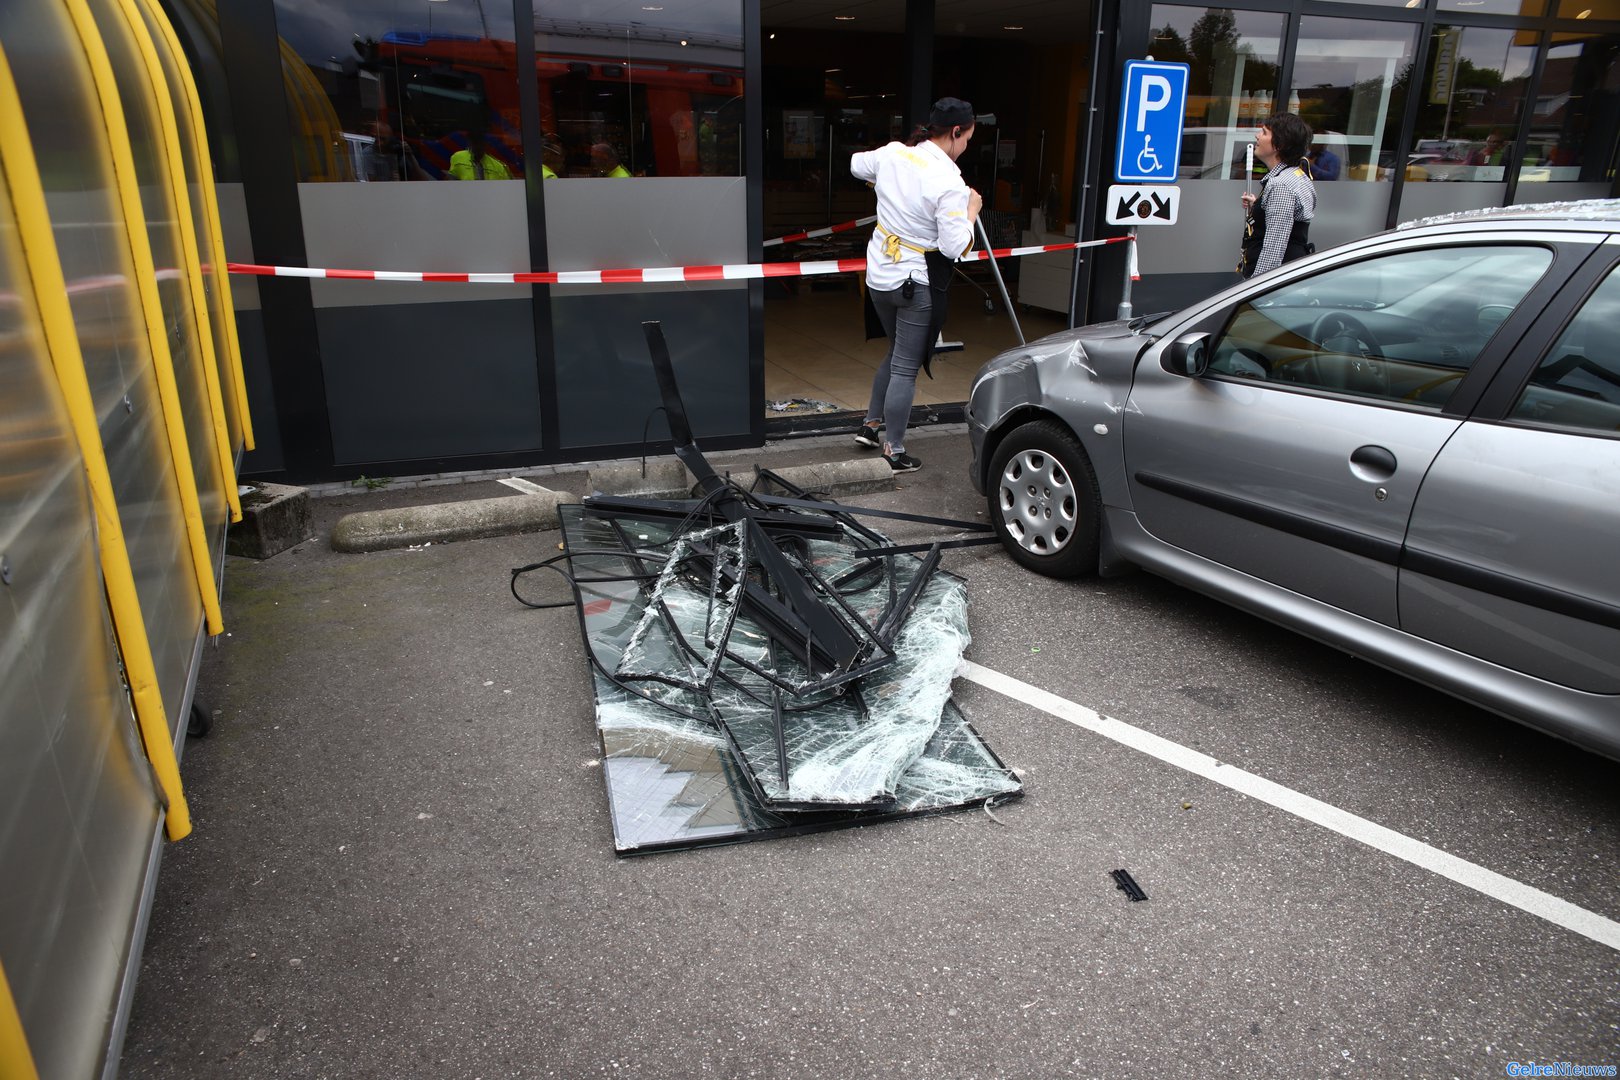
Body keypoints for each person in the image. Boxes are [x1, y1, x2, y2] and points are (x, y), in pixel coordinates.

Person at [848, 96, 983, 473]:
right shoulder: (949, 182)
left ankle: (870, 425)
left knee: (896, 354)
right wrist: (971, 211)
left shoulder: (894, 154)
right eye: (968, 139)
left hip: (878, 277)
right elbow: (955, 245)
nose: (966, 147)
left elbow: (857, 165)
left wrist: (885, 181)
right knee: (906, 366)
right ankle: (894, 450)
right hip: (914, 282)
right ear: (956, 132)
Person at [1237, 112, 1316, 279]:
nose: (1257, 136)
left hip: (1271, 288)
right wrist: (1259, 206)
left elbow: (1273, 251)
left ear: (1279, 144)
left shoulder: (1281, 186)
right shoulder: (1296, 175)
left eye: (1264, 132)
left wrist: (1254, 291)